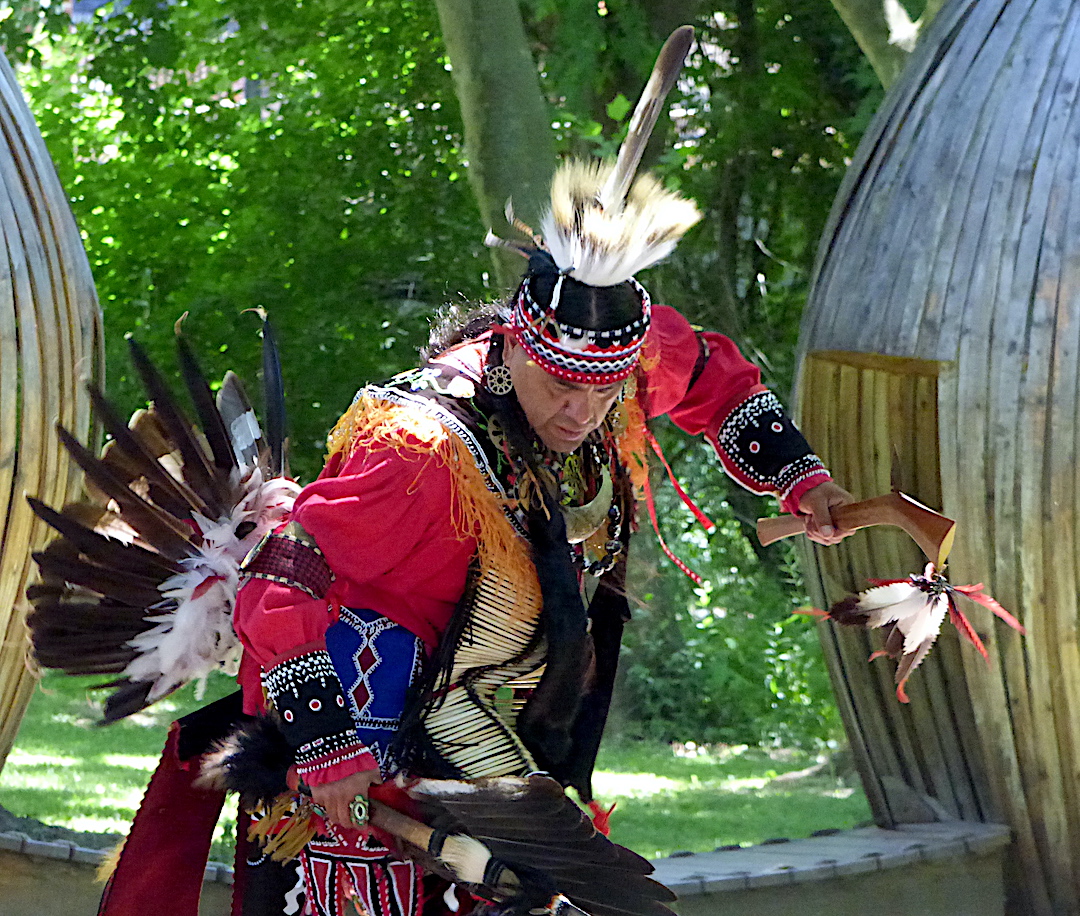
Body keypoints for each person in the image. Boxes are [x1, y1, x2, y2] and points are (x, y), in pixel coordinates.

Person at [228, 156, 853, 912]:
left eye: (605, 391)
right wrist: (327, 744)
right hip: (360, 730)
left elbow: (711, 379)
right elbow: (281, 574)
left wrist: (802, 480)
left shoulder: (612, 361)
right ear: (516, 344)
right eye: (559, 387)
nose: (582, 414)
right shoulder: (419, 451)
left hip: (499, 725)